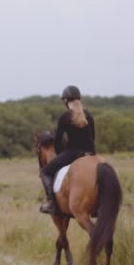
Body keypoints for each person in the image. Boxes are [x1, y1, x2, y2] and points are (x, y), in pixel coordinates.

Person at [39, 85, 96, 214]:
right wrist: (92, 154)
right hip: (91, 154)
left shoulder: (65, 117)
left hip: (73, 153)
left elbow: (58, 142)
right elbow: (93, 138)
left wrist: (61, 155)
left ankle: (51, 203)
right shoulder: (89, 115)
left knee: (45, 172)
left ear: (65, 100)